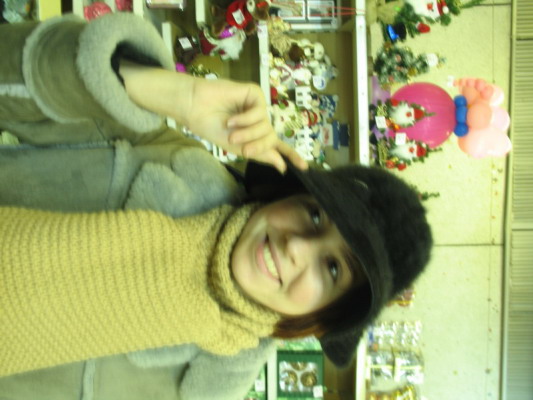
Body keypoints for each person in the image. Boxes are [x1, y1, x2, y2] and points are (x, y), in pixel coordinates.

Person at [0, 12, 433, 400]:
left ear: (325, 314)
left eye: (333, 269)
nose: (298, 246)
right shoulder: (166, 158)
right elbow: (16, 76)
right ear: (289, 195)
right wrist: (176, 95)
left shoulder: (204, 386)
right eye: (315, 215)